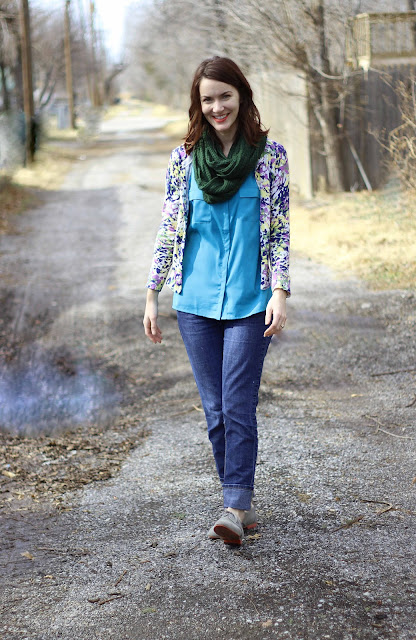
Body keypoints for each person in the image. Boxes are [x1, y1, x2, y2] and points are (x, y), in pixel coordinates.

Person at [143, 56, 290, 546]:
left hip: (251, 302)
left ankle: (234, 507)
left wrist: (280, 291)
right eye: (207, 99)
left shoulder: (271, 157)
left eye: (225, 95)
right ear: (198, 104)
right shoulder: (184, 159)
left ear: (241, 96)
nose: (217, 106)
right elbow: (169, 229)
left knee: (238, 403)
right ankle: (240, 502)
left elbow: (280, 231)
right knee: (215, 409)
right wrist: (152, 294)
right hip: (195, 303)